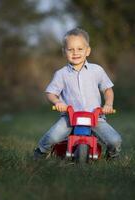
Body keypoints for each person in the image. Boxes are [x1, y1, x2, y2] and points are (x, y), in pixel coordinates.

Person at [34, 28, 122, 160]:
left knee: (114, 140)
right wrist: (57, 102)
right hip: (70, 117)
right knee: (53, 136)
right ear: (64, 52)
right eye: (70, 49)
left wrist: (108, 104)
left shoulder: (96, 70)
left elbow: (107, 89)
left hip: (95, 117)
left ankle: (113, 156)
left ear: (88, 51)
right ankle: (41, 152)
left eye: (80, 49)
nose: (75, 53)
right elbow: (51, 92)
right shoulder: (61, 74)